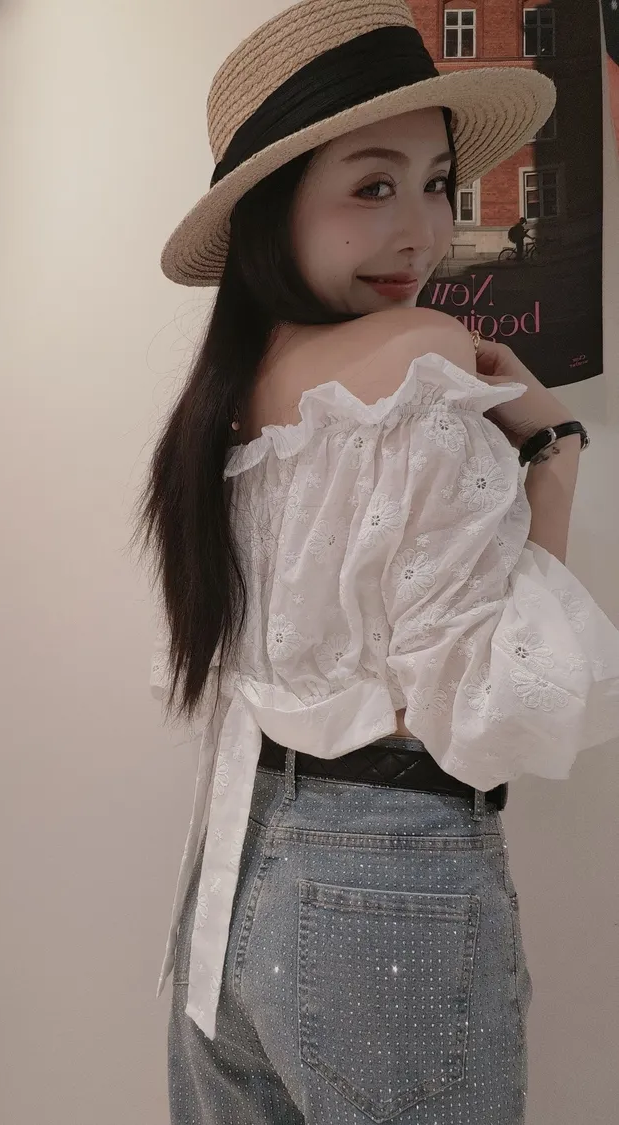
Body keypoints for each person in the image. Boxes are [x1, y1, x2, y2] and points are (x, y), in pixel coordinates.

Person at [135, 3, 619, 1122]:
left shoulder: (225, 401)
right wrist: (554, 452)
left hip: (231, 870)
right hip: (386, 880)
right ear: (273, 208)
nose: (422, 232)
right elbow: (493, 706)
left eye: (436, 184)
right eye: (372, 187)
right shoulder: (419, 360)